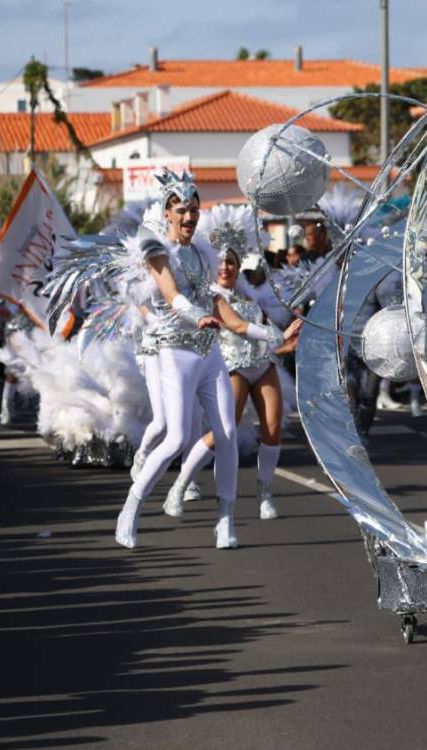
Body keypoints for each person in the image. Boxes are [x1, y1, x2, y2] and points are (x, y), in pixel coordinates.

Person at [115, 170, 284, 550]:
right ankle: (132, 506)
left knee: (226, 434)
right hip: (173, 350)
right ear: (168, 212)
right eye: (181, 209)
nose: (189, 216)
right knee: (175, 435)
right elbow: (172, 295)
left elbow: (221, 308)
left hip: (208, 354)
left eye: (194, 209)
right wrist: (196, 315)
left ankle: (225, 522)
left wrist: (267, 333)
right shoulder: (154, 247)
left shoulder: (202, 254)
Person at [161, 207, 299, 522]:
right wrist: (278, 334)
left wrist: (286, 341)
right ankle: (181, 483)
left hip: (262, 365)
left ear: (238, 267)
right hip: (231, 367)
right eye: (221, 261)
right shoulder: (209, 295)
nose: (225, 266)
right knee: (225, 430)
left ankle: (264, 493)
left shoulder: (249, 295)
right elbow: (237, 327)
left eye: (231, 262)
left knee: (273, 428)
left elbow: (264, 337)